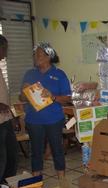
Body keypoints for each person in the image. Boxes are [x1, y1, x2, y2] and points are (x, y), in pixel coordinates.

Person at [20, 42, 71, 179]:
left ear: (49, 56)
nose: (36, 57)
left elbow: (67, 98)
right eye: (35, 55)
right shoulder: (29, 74)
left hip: (54, 119)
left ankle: (62, 181)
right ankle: (37, 182)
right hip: (33, 120)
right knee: (36, 152)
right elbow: (22, 97)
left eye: (39, 54)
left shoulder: (59, 74)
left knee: (57, 150)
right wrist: (25, 92)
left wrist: (53, 97)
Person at [0, 35, 18, 188]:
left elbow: (4, 95)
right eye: (4, 49)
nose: (5, 53)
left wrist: (11, 116)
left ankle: (6, 184)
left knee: (12, 154)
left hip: (5, 119)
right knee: (1, 157)